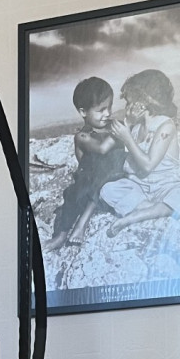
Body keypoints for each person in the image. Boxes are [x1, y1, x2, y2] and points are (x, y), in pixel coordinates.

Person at [100, 68, 180, 236]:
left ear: (143, 103)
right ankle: (154, 210)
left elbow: (148, 165)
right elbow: (131, 164)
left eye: (129, 103)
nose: (126, 108)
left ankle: (135, 215)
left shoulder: (166, 126)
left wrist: (126, 138)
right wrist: (128, 126)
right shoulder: (136, 128)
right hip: (141, 187)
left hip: (165, 187)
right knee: (108, 189)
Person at [45, 77, 128, 252]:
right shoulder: (82, 136)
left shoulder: (110, 128)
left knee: (106, 171)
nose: (108, 113)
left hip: (113, 177)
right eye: (101, 110)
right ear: (83, 112)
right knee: (71, 195)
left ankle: (82, 223)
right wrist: (119, 133)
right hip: (90, 180)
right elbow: (102, 149)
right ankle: (61, 235)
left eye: (109, 107)